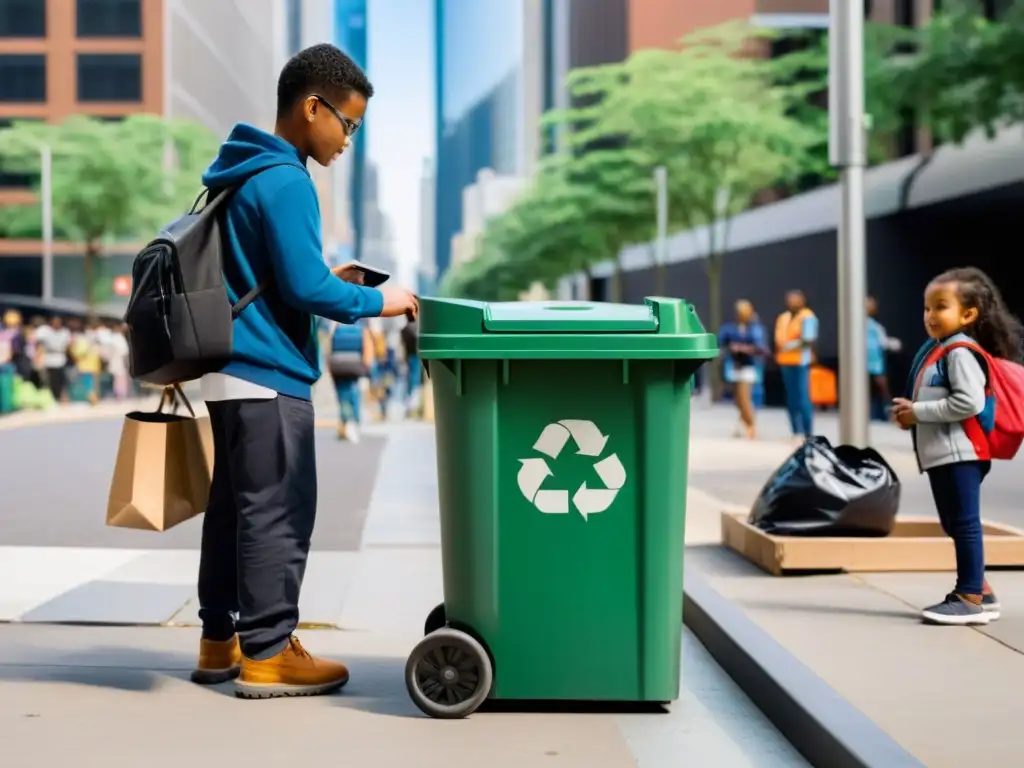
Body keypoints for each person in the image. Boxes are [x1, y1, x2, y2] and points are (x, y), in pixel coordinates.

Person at [190, 44, 419, 699]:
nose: (347, 139)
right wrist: (384, 300)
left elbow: (278, 276)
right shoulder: (287, 178)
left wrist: (325, 279)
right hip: (269, 373)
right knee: (277, 513)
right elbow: (303, 288)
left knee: (232, 511)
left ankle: (219, 640)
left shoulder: (236, 172)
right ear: (312, 107)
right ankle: (268, 651)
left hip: (230, 366)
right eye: (346, 123)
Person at [892, 267, 1023, 626]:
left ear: (968, 314)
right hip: (945, 455)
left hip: (961, 453)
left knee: (964, 524)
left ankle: (968, 599)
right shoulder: (940, 350)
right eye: (927, 308)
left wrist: (917, 413)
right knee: (954, 522)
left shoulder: (960, 352)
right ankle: (982, 592)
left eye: (940, 307)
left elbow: (970, 403)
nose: (930, 316)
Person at [718, 300, 768, 439]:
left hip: (749, 365)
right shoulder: (730, 327)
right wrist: (732, 347)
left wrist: (747, 349)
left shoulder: (756, 328)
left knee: (745, 396)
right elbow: (721, 341)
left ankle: (750, 424)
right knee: (738, 399)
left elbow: (761, 347)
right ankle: (745, 422)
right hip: (734, 365)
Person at [774, 290, 818, 441]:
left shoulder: (808, 316)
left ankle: (807, 431)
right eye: (790, 299)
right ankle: (795, 430)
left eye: (795, 299)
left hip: (801, 361)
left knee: (803, 397)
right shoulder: (783, 317)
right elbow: (779, 337)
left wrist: (792, 345)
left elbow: (808, 338)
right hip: (785, 361)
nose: (792, 302)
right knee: (791, 397)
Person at [327, 319, 373, 442]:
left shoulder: (335, 322)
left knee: (342, 396)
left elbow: (329, 345)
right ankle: (354, 422)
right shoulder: (362, 323)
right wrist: (367, 366)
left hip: (337, 364)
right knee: (354, 392)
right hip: (355, 364)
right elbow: (366, 344)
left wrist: (329, 365)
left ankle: (345, 421)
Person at [866, 296, 901, 422]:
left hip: (875, 363)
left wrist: (893, 344)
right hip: (867, 363)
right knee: (875, 388)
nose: (871, 307)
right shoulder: (861, 325)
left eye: (872, 304)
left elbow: (883, 342)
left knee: (880, 389)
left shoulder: (875, 326)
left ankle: (883, 413)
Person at [34, 316, 71, 402]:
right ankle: (50, 398)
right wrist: (38, 358)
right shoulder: (45, 331)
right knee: (47, 381)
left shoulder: (65, 332)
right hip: (48, 358)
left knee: (60, 381)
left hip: (60, 358)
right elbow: (40, 346)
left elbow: (69, 346)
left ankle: (59, 397)